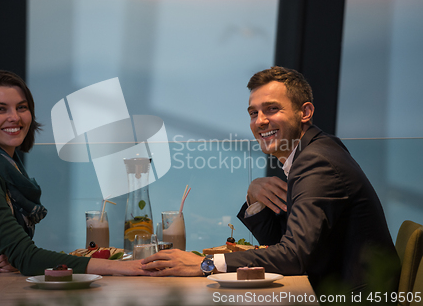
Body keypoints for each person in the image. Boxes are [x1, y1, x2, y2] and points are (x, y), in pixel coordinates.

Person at [141, 66, 400, 297]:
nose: (260, 121)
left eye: (272, 109)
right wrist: (255, 200)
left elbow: (293, 256)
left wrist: (206, 263)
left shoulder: (317, 161)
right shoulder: (313, 152)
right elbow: (283, 242)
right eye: (253, 113)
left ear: (305, 112)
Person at [0, 70, 149, 306]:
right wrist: (121, 267)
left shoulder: (2, 166)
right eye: (0, 109)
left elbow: (20, 255)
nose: (14, 117)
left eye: (22, 107)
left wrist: (15, 257)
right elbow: (28, 257)